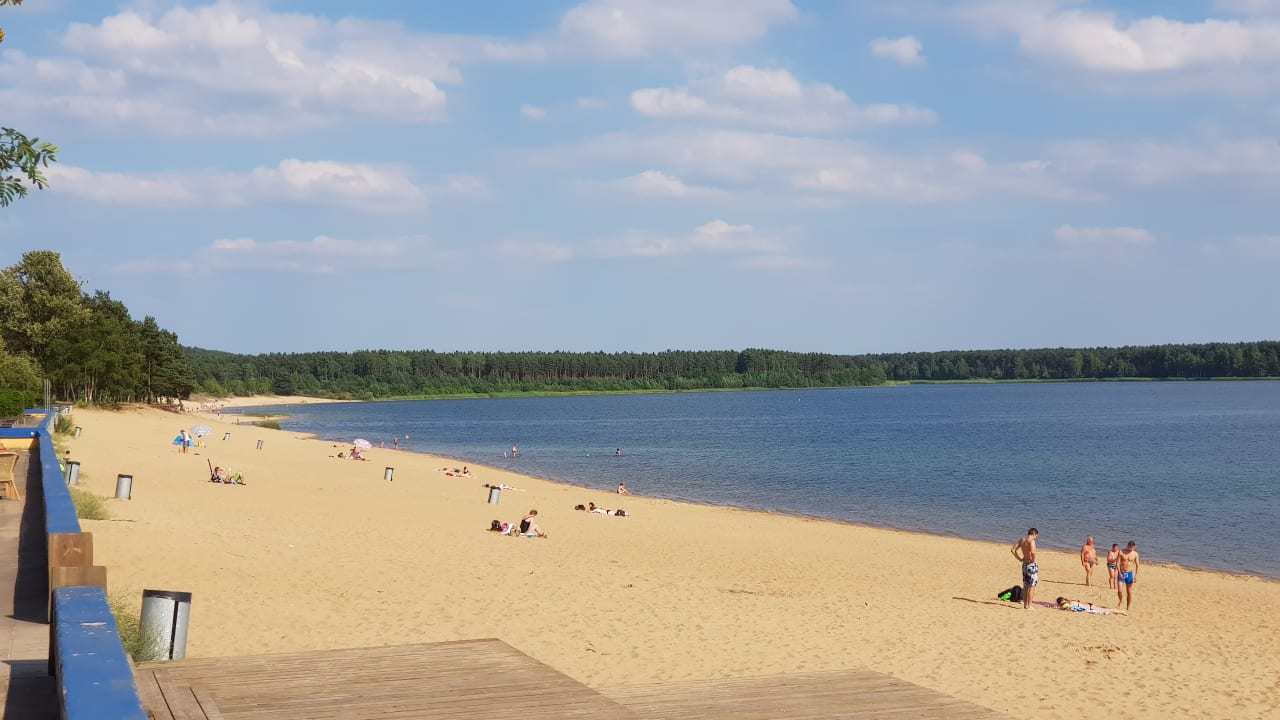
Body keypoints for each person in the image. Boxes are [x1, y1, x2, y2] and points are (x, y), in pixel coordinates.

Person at [1010, 528, 1039, 609]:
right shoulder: (1032, 541)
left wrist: (1019, 559)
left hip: (1025, 564)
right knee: (1031, 586)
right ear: (1034, 534)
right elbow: (1033, 552)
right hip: (1031, 564)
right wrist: (1033, 560)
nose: (1035, 537)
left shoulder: (1022, 540)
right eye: (1036, 536)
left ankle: (1025, 605)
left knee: (1026, 585)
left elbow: (1013, 550)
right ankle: (1029, 605)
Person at [1116, 541, 1139, 610]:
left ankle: (1128, 607)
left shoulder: (1135, 554)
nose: (1131, 548)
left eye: (1132, 547)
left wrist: (1136, 576)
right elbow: (1118, 563)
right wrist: (1119, 572)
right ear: (1127, 545)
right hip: (1122, 573)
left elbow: (1137, 565)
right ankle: (1121, 601)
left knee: (1129, 592)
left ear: (1134, 547)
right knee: (1120, 590)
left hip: (1129, 574)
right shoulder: (1121, 552)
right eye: (1130, 546)